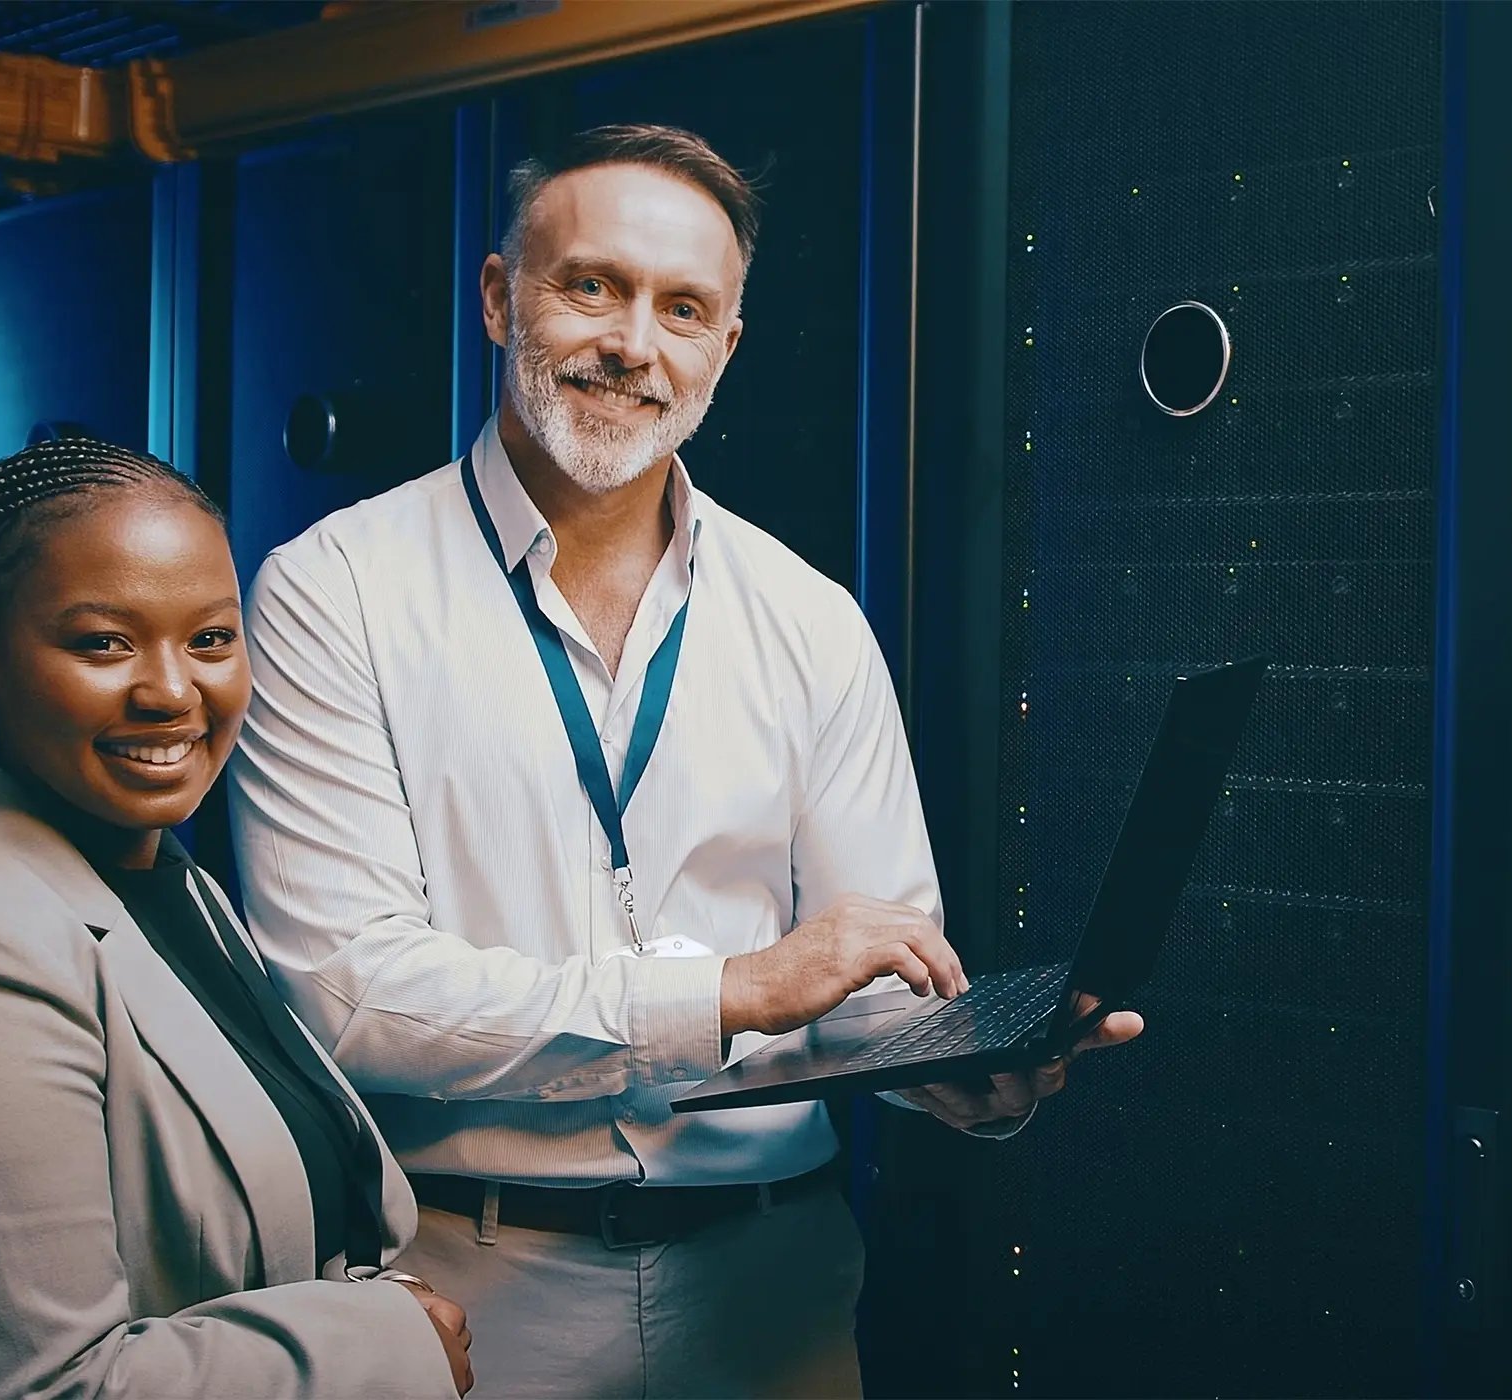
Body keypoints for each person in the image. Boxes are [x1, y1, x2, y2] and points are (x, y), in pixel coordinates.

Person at [229, 123, 1143, 1397]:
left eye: (682, 307)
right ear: (500, 299)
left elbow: (873, 973)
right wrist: (728, 990)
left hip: (773, 1293)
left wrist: (962, 1069)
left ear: (726, 346)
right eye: (589, 285)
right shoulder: (332, 592)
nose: (631, 343)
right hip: (469, 1291)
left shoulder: (809, 616)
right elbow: (348, 992)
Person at [0, 439, 473, 1399]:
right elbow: (47, 1389)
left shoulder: (180, 889)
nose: (173, 693)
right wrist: (389, 1344)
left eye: (210, 639)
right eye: (103, 643)